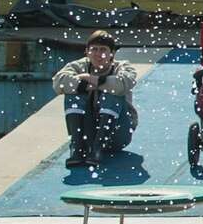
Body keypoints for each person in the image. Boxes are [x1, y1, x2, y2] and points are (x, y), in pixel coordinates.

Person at [54, 30, 139, 167]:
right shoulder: (79, 66)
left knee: (112, 93)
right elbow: (58, 83)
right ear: (87, 52)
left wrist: (93, 80)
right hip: (89, 130)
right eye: (94, 49)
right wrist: (83, 86)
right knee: (73, 95)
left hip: (117, 133)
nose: (99, 54)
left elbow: (123, 83)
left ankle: (97, 149)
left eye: (103, 50)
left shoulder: (122, 67)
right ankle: (77, 147)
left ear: (112, 53)